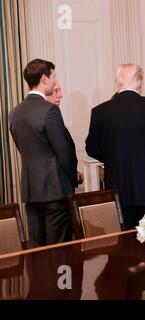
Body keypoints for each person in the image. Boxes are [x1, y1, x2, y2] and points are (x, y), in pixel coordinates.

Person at [85, 63, 145, 229]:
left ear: (117, 83)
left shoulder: (100, 111)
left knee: (124, 242)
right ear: (139, 82)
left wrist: (112, 158)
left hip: (118, 188)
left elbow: (91, 148)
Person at [9, 59, 78, 247]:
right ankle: (60, 279)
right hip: (54, 191)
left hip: (31, 192)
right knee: (59, 251)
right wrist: (73, 179)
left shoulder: (14, 113)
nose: (55, 83)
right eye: (53, 77)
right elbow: (63, 153)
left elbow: (24, 149)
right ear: (44, 78)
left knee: (37, 250)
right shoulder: (49, 111)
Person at [46, 80, 83, 184]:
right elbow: (59, 153)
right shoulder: (50, 115)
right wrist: (73, 176)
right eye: (56, 91)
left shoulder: (54, 115)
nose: (60, 95)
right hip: (55, 184)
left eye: (60, 91)